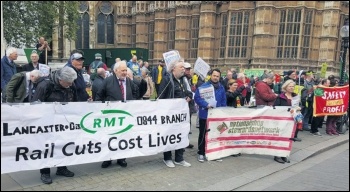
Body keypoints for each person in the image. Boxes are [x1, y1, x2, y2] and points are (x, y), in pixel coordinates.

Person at [30, 67, 78, 184]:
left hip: (63, 122)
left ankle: (61, 168)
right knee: (47, 147)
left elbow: (75, 102)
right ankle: (45, 172)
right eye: (68, 82)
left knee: (63, 145)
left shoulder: (70, 85)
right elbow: (35, 105)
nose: (71, 84)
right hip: (47, 123)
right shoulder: (45, 86)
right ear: (61, 80)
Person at [96, 61, 139, 168]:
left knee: (123, 137)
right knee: (110, 137)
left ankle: (121, 158)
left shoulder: (128, 81)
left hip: (125, 115)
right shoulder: (108, 81)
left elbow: (135, 92)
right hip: (111, 116)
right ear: (116, 71)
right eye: (123, 70)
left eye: (126, 70)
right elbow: (99, 96)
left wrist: (131, 101)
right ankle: (108, 159)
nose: (125, 72)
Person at [158, 59, 193, 168]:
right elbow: (161, 96)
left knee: (181, 135)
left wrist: (189, 96)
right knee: (169, 135)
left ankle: (179, 158)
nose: (183, 69)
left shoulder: (184, 80)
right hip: (169, 115)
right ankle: (167, 158)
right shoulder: (167, 79)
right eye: (181, 67)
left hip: (181, 115)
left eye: (184, 67)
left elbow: (189, 92)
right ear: (174, 69)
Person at [194, 68, 227, 162]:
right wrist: (206, 104)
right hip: (205, 114)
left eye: (217, 76)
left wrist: (223, 111)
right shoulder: (204, 86)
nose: (216, 78)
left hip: (217, 115)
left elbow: (224, 100)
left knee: (216, 134)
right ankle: (201, 152)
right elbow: (197, 98)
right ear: (211, 76)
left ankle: (213, 153)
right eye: (214, 76)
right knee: (203, 134)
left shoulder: (221, 87)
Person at [273, 79, 298, 164]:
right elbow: (275, 108)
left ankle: (284, 154)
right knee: (280, 138)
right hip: (282, 121)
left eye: (293, 86)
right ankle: (277, 155)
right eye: (290, 86)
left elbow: (299, 106)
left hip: (292, 121)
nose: (292, 88)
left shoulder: (296, 96)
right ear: (285, 87)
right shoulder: (280, 97)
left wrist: (299, 108)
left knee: (288, 138)